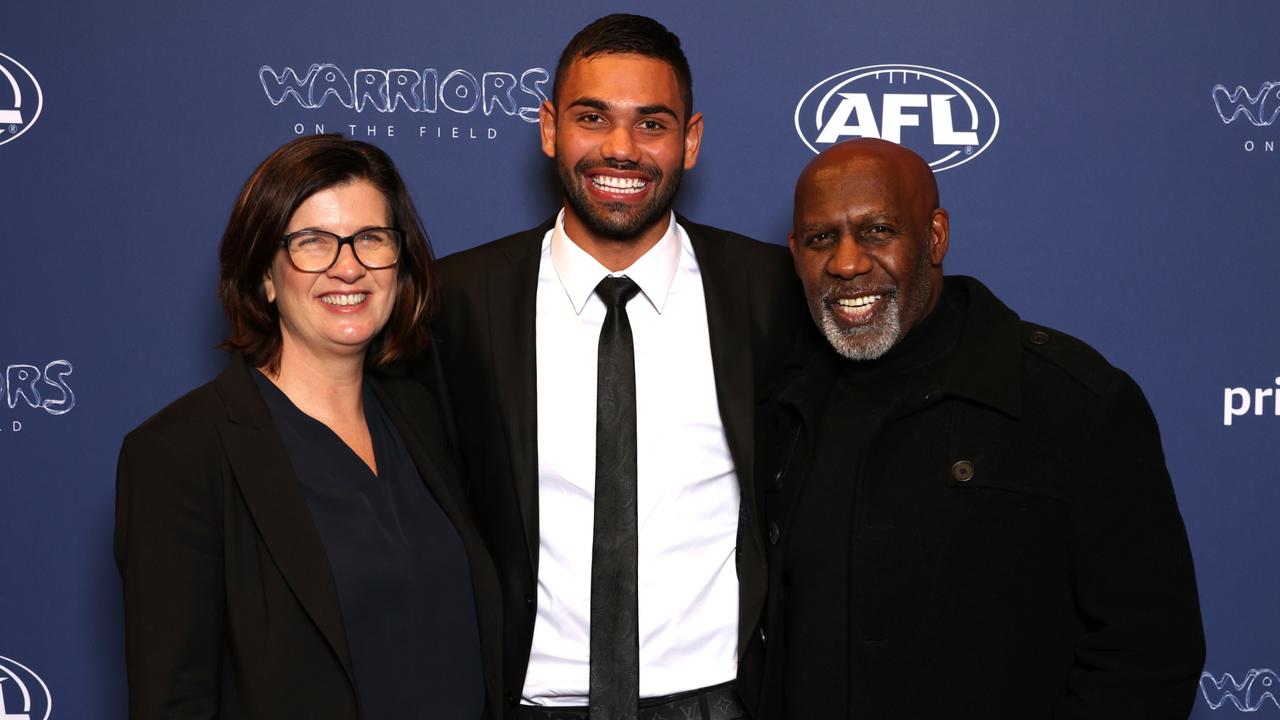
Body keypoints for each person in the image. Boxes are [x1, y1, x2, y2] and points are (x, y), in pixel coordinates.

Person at [427, 14, 805, 720]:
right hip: (527, 702)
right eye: (592, 118)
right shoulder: (456, 302)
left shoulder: (771, 291)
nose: (621, 150)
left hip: (718, 702)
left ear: (690, 141)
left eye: (652, 124)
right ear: (549, 129)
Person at [757, 137, 1206, 718]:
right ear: (795, 254)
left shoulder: (1071, 401)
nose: (846, 263)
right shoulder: (774, 402)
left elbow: (1150, 652)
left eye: (877, 231)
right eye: (822, 239)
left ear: (935, 236)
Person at [114, 134, 501, 719]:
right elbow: (174, 700)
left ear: (400, 265)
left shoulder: (421, 416)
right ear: (264, 276)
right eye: (312, 242)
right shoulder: (181, 454)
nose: (348, 266)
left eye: (371, 238)